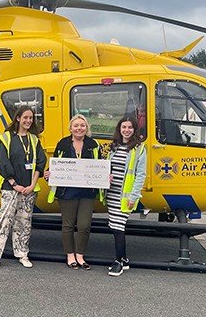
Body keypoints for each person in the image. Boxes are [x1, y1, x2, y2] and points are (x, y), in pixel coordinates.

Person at [0, 105, 46, 271]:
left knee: (24, 222)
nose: (28, 121)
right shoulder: (6, 138)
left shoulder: (34, 139)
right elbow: (2, 162)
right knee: (3, 221)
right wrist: (14, 184)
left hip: (29, 188)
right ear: (18, 118)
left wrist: (32, 185)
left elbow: (40, 163)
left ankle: (22, 254)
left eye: (31, 118)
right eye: (25, 117)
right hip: (10, 187)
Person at [44, 114, 101, 270]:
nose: (79, 128)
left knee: (84, 225)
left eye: (82, 125)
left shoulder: (94, 145)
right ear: (71, 128)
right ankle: (70, 255)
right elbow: (55, 164)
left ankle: (80, 255)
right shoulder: (62, 144)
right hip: (67, 192)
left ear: (86, 128)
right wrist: (48, 173)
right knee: (68, 224)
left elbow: (100, 164)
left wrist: (105, 176)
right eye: (76, 125)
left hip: (88, 192)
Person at [105, 116, 146, 277]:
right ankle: (125, 259)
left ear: (134, 130)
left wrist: (133, 196)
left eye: (130, 127)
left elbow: (140, 175)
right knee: (114, 225)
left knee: (118, 227)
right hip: (112, 193)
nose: (126, 130)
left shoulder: (139, 149)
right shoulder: (114, 147)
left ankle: (118, 262)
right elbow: (109, 166)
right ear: (119, 129)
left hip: (126, 196)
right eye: (124, 127)